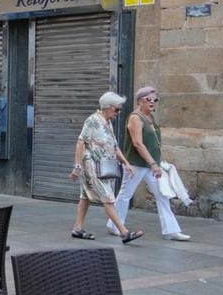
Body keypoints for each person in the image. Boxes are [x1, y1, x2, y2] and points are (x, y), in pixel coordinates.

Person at [108, 86, 190, 241]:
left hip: (150, 165)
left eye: (155, 100)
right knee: (126, 195)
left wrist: (156, 163)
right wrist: (153, 163)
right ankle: (114, 226)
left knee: (162, 196)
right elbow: (138, 143)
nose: (153, 102)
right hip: (136, 164)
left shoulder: (150, 118)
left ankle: (171, 231)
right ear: (140, 101)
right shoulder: (135, 118)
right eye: (149, 99)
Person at [69, 92, 143, 244]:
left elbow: (114, 147)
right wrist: (77, 166)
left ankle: (77, 228)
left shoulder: (107, 123)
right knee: (108, 198)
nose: (119, 113)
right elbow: (80, 142)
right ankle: (124, 233)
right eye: (117, 109)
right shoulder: (93, 121)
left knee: (85, 198)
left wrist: (126, 163)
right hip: (92, 167)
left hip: (103, 167)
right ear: (107, 107)